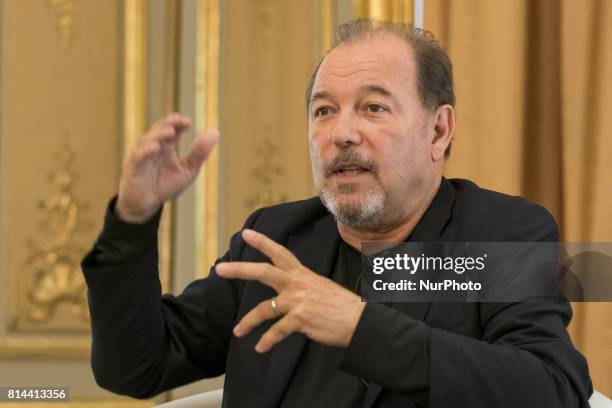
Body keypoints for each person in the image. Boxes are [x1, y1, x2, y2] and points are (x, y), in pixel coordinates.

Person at [81, 20, 592, 407]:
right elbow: (135, 366)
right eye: (323, 111)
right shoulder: (277, 238)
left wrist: (360, 327)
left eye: (373, 108)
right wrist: (132, 220)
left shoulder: (501, 235)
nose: (340, 134)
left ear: (438, 131)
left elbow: (553, 388)